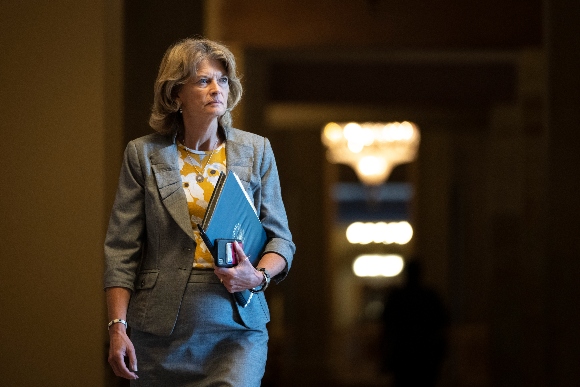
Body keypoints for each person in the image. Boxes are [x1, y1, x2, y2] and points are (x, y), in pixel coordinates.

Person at [104, 37, 295, 386]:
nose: (216, 89)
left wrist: (258, 277)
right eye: (203, 80)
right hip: (159, 329)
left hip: (238, 326)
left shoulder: (256, 151)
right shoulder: (143, 154)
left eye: (222, 80)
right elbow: (121, 249)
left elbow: (281, 239)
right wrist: (118, 327)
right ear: (176, 93)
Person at [380, 259, 449, 387]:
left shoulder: (397, 297)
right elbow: (442, 325)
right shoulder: (430, 297)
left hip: (405, 357)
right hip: (424, 357)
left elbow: (387, 328)